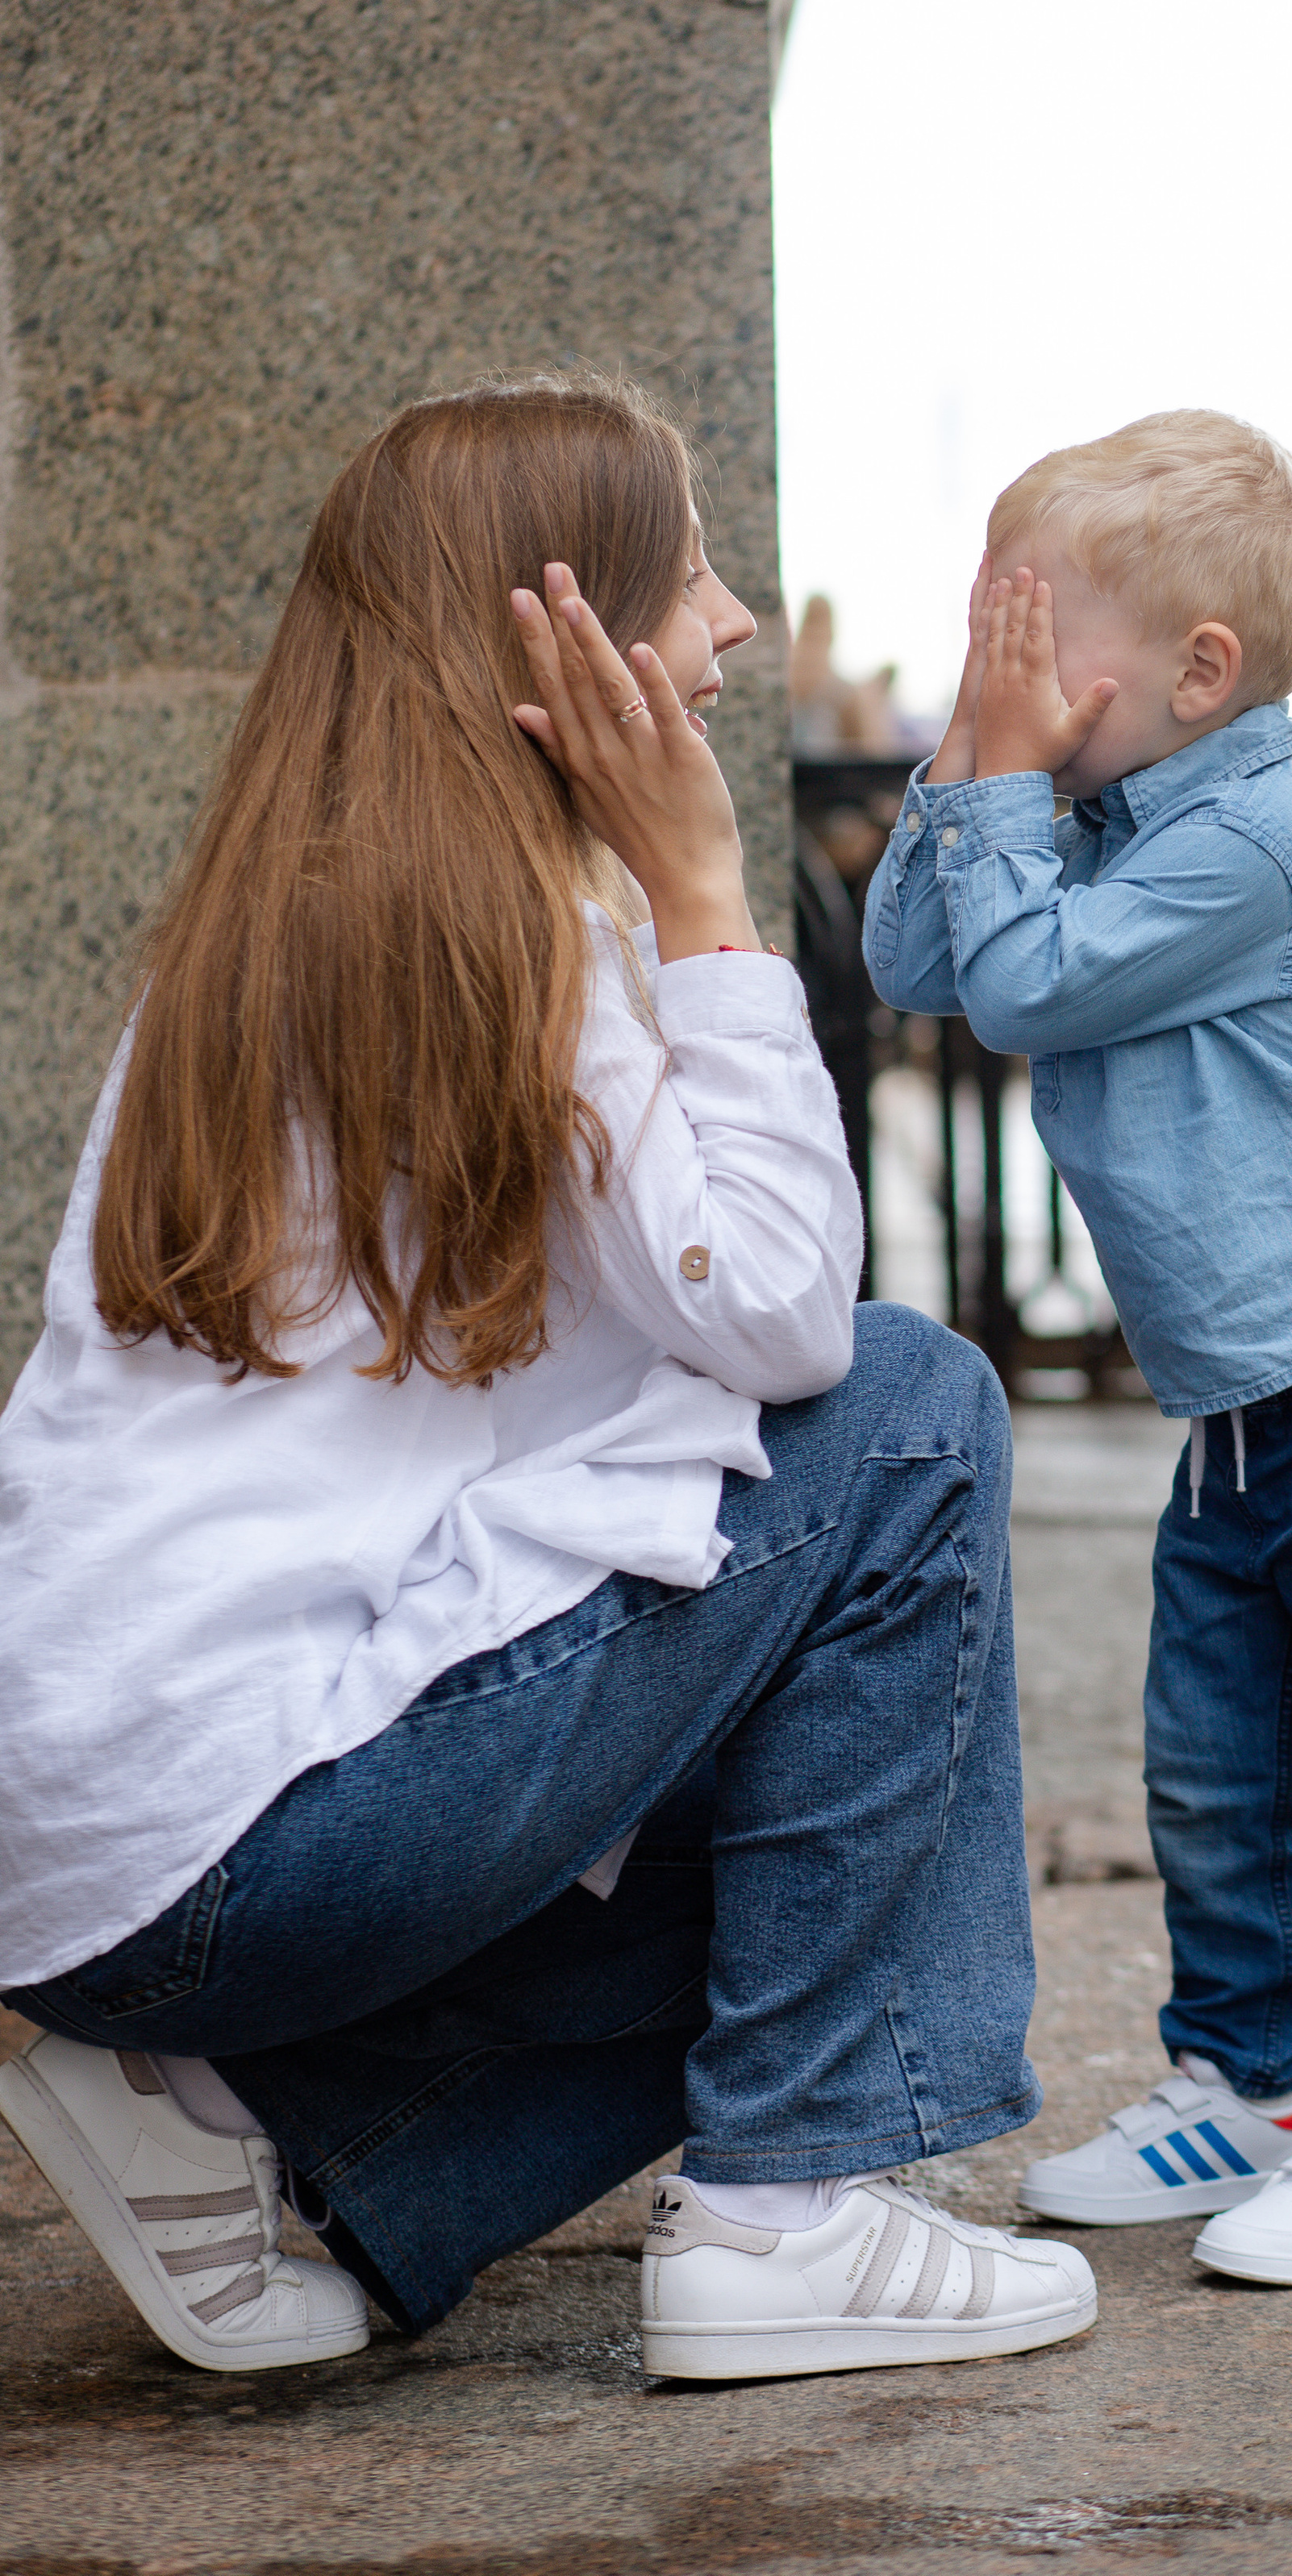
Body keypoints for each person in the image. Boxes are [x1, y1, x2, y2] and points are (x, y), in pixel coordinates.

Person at [0, 373, 1094, 2385]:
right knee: (910, 1407)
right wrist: (705, 897)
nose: (735, 620)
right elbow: (790, 1324)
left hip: (94, 1857)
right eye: (688, 572)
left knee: (830, 1863)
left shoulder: (256, 940)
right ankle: (782, 2216)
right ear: (558, 631)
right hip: (228, 1851)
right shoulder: (512, 944)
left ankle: (259, 2122)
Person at [862, 411, 1292, 2291]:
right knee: (1210, 1777)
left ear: (1197, 671)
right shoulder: (1086, 821)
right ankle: (1238, 2083)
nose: (1001, 661)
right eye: (987, 624)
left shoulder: (1256, 838)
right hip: (1247, 1406)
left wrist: (1002, 779)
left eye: (1032, 628)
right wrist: (973, 748)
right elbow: (912, 961)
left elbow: (1019, 987)